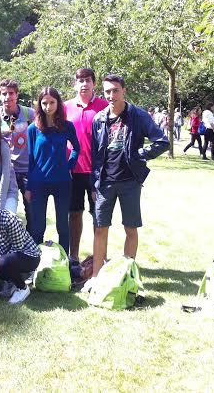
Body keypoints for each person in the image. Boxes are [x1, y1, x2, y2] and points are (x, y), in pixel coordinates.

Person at [87, 74, 169, 286]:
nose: (111, 95)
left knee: (130, 228)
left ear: (124, 90)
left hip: (130, 181)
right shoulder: (99, 119)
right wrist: (94, 183)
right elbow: (96, 156)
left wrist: (141, 154)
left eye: (115, 90)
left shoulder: (138, 116)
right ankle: (96, 277)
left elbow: (162, 141)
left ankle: (127, 275)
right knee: (100, 228)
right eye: (107, 91)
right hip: (105, 182)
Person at [25, 87, 80, 255]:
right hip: (38, 183)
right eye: (44, 103)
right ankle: (35, 263)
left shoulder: (67, 126)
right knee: (38, 226)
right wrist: (28, 186)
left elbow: (77, 148)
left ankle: (64, 263)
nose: (48, 106)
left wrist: (69, 165)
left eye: (52, 102)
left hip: (62, 182)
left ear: (58, 103)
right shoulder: (33, 129)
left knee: (62, 225)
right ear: (39, 105)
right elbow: (30, 159)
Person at [64, 68, 108, 261]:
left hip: (97, 171)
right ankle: (73, 257)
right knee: (74, 214)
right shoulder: (65, 107)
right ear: (75, 83)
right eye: (80, 80)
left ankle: (99, 257)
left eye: (87, 80)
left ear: (94, 83)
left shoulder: (104, 106)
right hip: (72, 171)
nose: (84, 83)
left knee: (98, 217)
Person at [0, 78, 35, 228]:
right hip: (6, 171)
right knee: (5, 211)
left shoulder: (29, 113)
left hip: (26, 170)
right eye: (4, 93)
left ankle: (34, 245)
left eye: (11, 93)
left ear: (17, 94)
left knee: (32, 212)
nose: (8, 97)